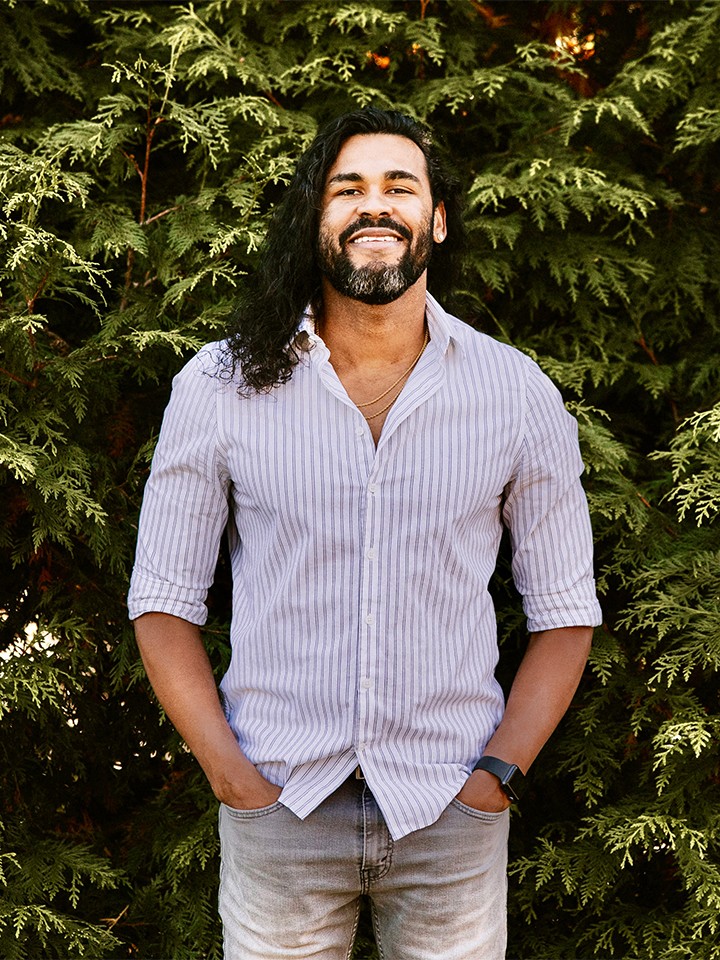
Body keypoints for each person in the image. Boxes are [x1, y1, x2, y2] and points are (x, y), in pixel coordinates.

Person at [128, 106, 602, 960]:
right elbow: (162, 603)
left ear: (438, 219)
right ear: (317, 220)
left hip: (451, 814)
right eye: (347, 188)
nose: (373, 205)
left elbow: (565, 611)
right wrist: (236, 784)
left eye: (399, 186)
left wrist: (493, 782)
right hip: (279, 809)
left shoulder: (516, 394)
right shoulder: (220, 385)